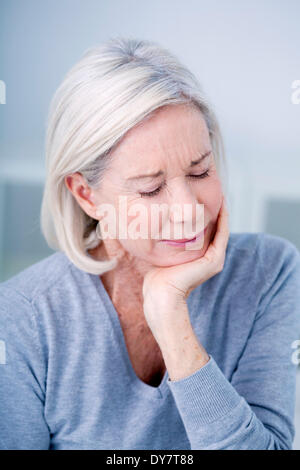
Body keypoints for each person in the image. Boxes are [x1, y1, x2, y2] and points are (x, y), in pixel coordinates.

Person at [1, 37, 300, 450]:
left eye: (200, 172)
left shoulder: (270, 271)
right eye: (150, 188)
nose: (187, 210)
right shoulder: (23, 319)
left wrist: (170, 316)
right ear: (86, 195)